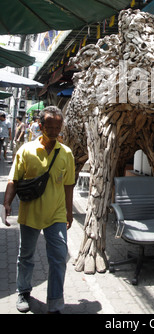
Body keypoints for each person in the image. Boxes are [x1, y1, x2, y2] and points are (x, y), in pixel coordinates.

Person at [3, 106, 75, 314]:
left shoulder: (66, 154)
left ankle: (55, 302)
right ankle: (23, 292)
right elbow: (13, 179)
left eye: (57, 127)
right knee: (25, 256)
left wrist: (69, 213)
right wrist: (7, 203)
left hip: (57, 215)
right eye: (50, 126)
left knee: (59, 258)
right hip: (30, 213)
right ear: (41, 126)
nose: (54, 131)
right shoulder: (26, 150)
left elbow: (68, 186)